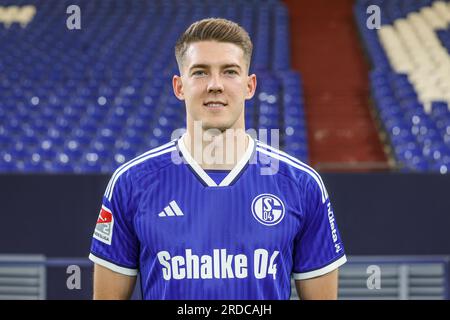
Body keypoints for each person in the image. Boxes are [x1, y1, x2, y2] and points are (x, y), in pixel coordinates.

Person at [89, 18, 346, 300]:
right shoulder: (130, 184)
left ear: (250, 86)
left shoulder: (302, 185)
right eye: (200, 72)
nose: (215, 85)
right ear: (179, 86)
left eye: (229, 72)